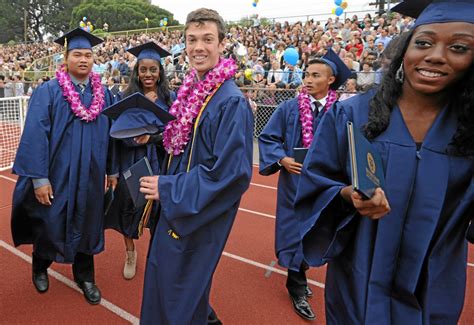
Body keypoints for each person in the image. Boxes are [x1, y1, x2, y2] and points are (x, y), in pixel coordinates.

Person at [294, 0, 474, 323]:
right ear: (406, 50)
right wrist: (349, 195)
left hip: (434, 287)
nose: (435, 55)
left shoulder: (470, 131)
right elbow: (315, 181)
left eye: (459, 47)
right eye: (423, 43)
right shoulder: (352, 114)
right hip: (358, 282)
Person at [138, 8, 253, 324]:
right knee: (171, 285)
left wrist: (168, 186)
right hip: (175, 208)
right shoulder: (191, 91)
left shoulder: (231, 101)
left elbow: (233, 175)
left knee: (180, 293)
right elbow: (183, 145)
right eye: (192, 40)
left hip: (200, 215)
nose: (198, 47)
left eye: (207, 39)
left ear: (222, 44)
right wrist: (154, 137)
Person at [10, 28, 116, 305]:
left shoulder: (103, 94)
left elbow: (113, 133)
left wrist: (112, 169)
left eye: (88, 55)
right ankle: (40, 268)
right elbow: (35, 133)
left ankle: (85, 277)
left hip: (91, 175)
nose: (83, 59)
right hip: (57, 175)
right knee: (50, 221)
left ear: (95, 59)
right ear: (66, 57)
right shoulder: (48, 91)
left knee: (89, 222)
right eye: (77, 54)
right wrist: (38, 179)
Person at [258, 49, 351, 321]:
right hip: (294, 182)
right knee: (294, 231)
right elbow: (269, 138)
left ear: (331, 80)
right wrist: (283, 159)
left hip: (327, 184)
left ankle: (302, 274)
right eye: (306, 74)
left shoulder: (342, 111)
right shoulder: (289, 108)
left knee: (320, 229)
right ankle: (296, 286)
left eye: (315, 75)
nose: (307, 80)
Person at [104, 42, 175, 280]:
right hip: (130, 160)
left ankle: (157, 255)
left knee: (159, 213)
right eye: (143, 69)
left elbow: (177, 132)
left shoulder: (170, 98)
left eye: (153, 69)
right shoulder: (125, 97)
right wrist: (112, 172)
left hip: (159, 162)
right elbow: (115, 136)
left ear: (160, 72)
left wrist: (152, 136)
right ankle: (130, 252)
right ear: (136, 71)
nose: (148, 74)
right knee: (127, 208)